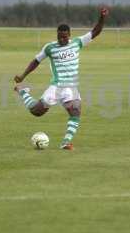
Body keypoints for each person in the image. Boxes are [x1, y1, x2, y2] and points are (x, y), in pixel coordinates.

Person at [14, 8, 109, 150]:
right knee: (36, 112)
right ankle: (23, 91)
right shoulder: (50, 48)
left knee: (75, 112)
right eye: (60, 37)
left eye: (64, 37)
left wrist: (102, 17)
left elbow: (95, 32)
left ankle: (66, 142)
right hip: (56, 87)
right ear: (57, 35)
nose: (62, 39)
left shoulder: (77, 43)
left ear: (69, 35)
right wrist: (22, 76)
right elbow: (36, 61)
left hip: (71, 87)